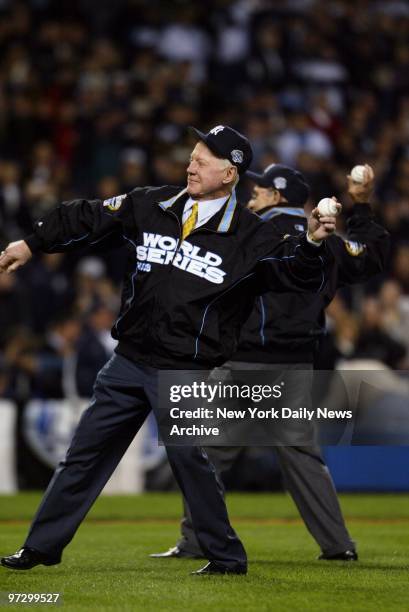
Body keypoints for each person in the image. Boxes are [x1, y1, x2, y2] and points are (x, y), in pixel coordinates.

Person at [0, 125, 338, 576]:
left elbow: (298, 274)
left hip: (184, 369)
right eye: (192, 156)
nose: (190, 165)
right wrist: (31, 242)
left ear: (230, 174)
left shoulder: (251, 235)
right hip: (128, 361)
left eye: (202, 160)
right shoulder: (153, 203)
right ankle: (39, 548)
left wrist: (314, 241)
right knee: (82, 456)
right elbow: (88, 216)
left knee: (190, 460)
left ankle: (226, 556)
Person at [150, 162, 389, 562]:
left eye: (260, 190)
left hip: (241, 363)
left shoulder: (250, 230)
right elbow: (370, 257)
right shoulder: (327, 240)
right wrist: (361, 206)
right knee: (302, 460)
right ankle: (338, 546)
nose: (252, 195)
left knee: (207, 455)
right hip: (294, 366)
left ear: (277, 196)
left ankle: (194, 542)